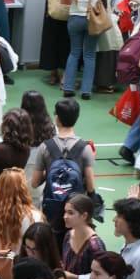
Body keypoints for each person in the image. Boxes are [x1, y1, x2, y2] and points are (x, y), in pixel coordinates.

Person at [31, 97, 96, 237]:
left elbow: (35, 183)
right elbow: (91, 187)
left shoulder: (45, 147)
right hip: (77, 209)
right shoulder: (85, 148)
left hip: (52, 208)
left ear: (57, 118)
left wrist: (50, 173)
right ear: (76, 118)